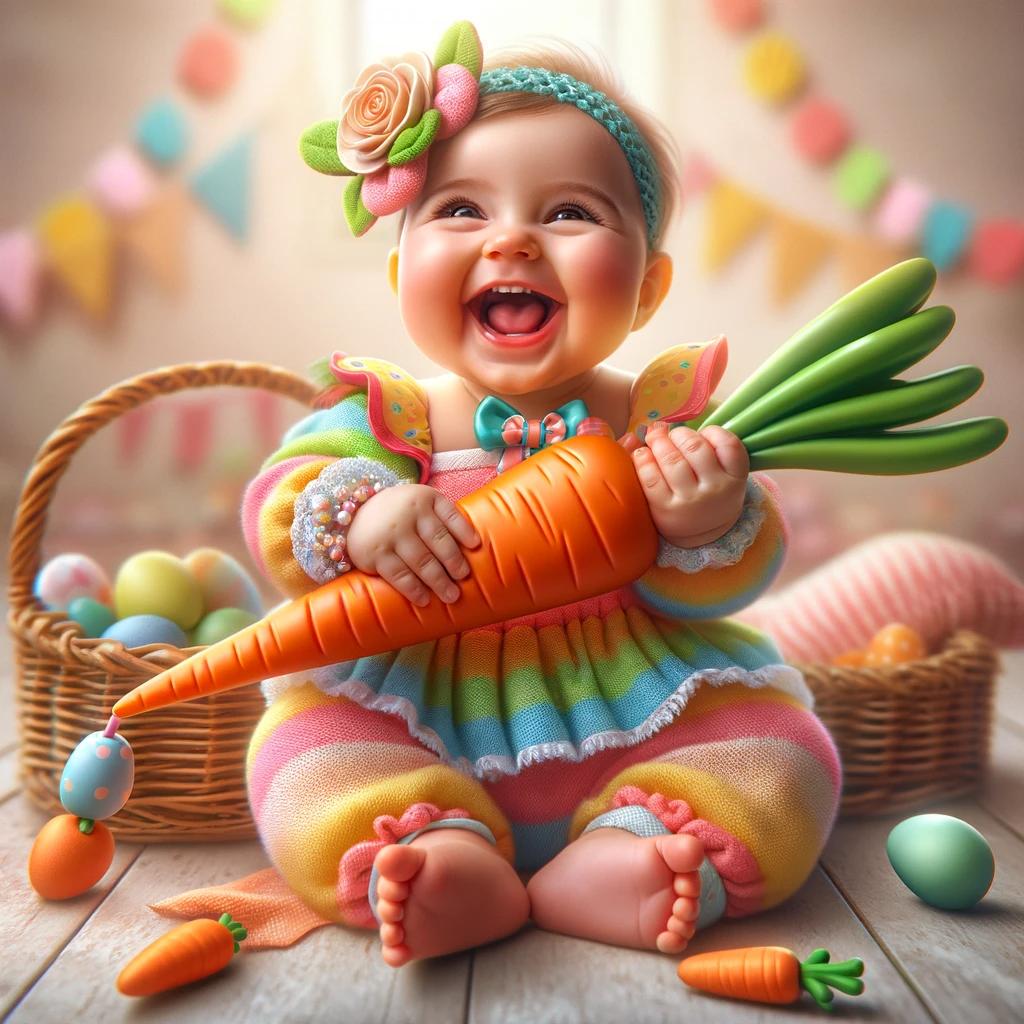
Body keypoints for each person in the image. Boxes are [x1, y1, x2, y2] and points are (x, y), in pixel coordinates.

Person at [241, 21, 841, 967]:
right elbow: (286, 501)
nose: (513, 237)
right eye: (461, 211)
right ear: (401, 274)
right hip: (418, 710)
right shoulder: (388, 415)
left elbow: (738, 570)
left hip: (641, 708)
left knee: (783, 750)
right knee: (304, 747)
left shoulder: (659, 416)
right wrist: (361, 517)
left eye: (568, 213)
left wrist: (704, 517)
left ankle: (639, 854)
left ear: (646, 288)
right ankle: (431, 854)